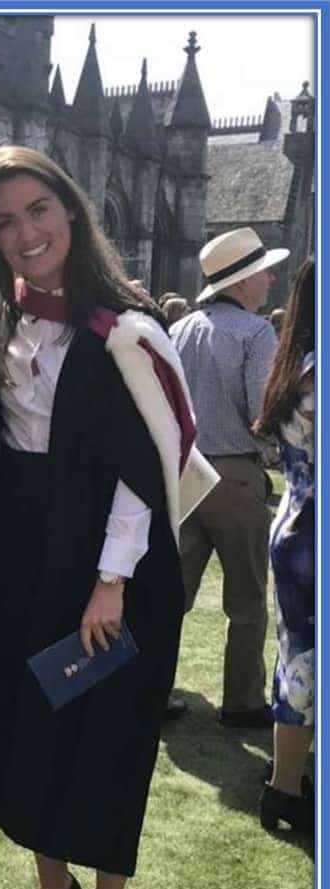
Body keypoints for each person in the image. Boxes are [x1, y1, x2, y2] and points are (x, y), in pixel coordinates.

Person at [0, 146, 194, 889]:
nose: (25, 234)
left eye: (37, 211)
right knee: (26, 731)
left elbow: (149, 465)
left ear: (70, 211)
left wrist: (110, 578)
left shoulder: (128, 328)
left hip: (114, 571)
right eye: (5, 222)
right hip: (25, 557)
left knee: (104, 740)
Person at [171, 227, 288, 727]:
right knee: (246, 600)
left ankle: (152, 691)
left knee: (171, 595)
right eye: (263, 272)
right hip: (236, 474)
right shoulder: (257, 333)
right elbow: (263, 414)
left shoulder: (179, 330)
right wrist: (272, 457)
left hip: (183, 472)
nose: (271, 279)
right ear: (242, 283)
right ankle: (242, 702)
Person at [254, 258, 315, 834]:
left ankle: (286, 783)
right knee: (302, 665)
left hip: (295, 522)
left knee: (295, 660)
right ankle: (287, 785)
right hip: (313, 531)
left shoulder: (294, 367)